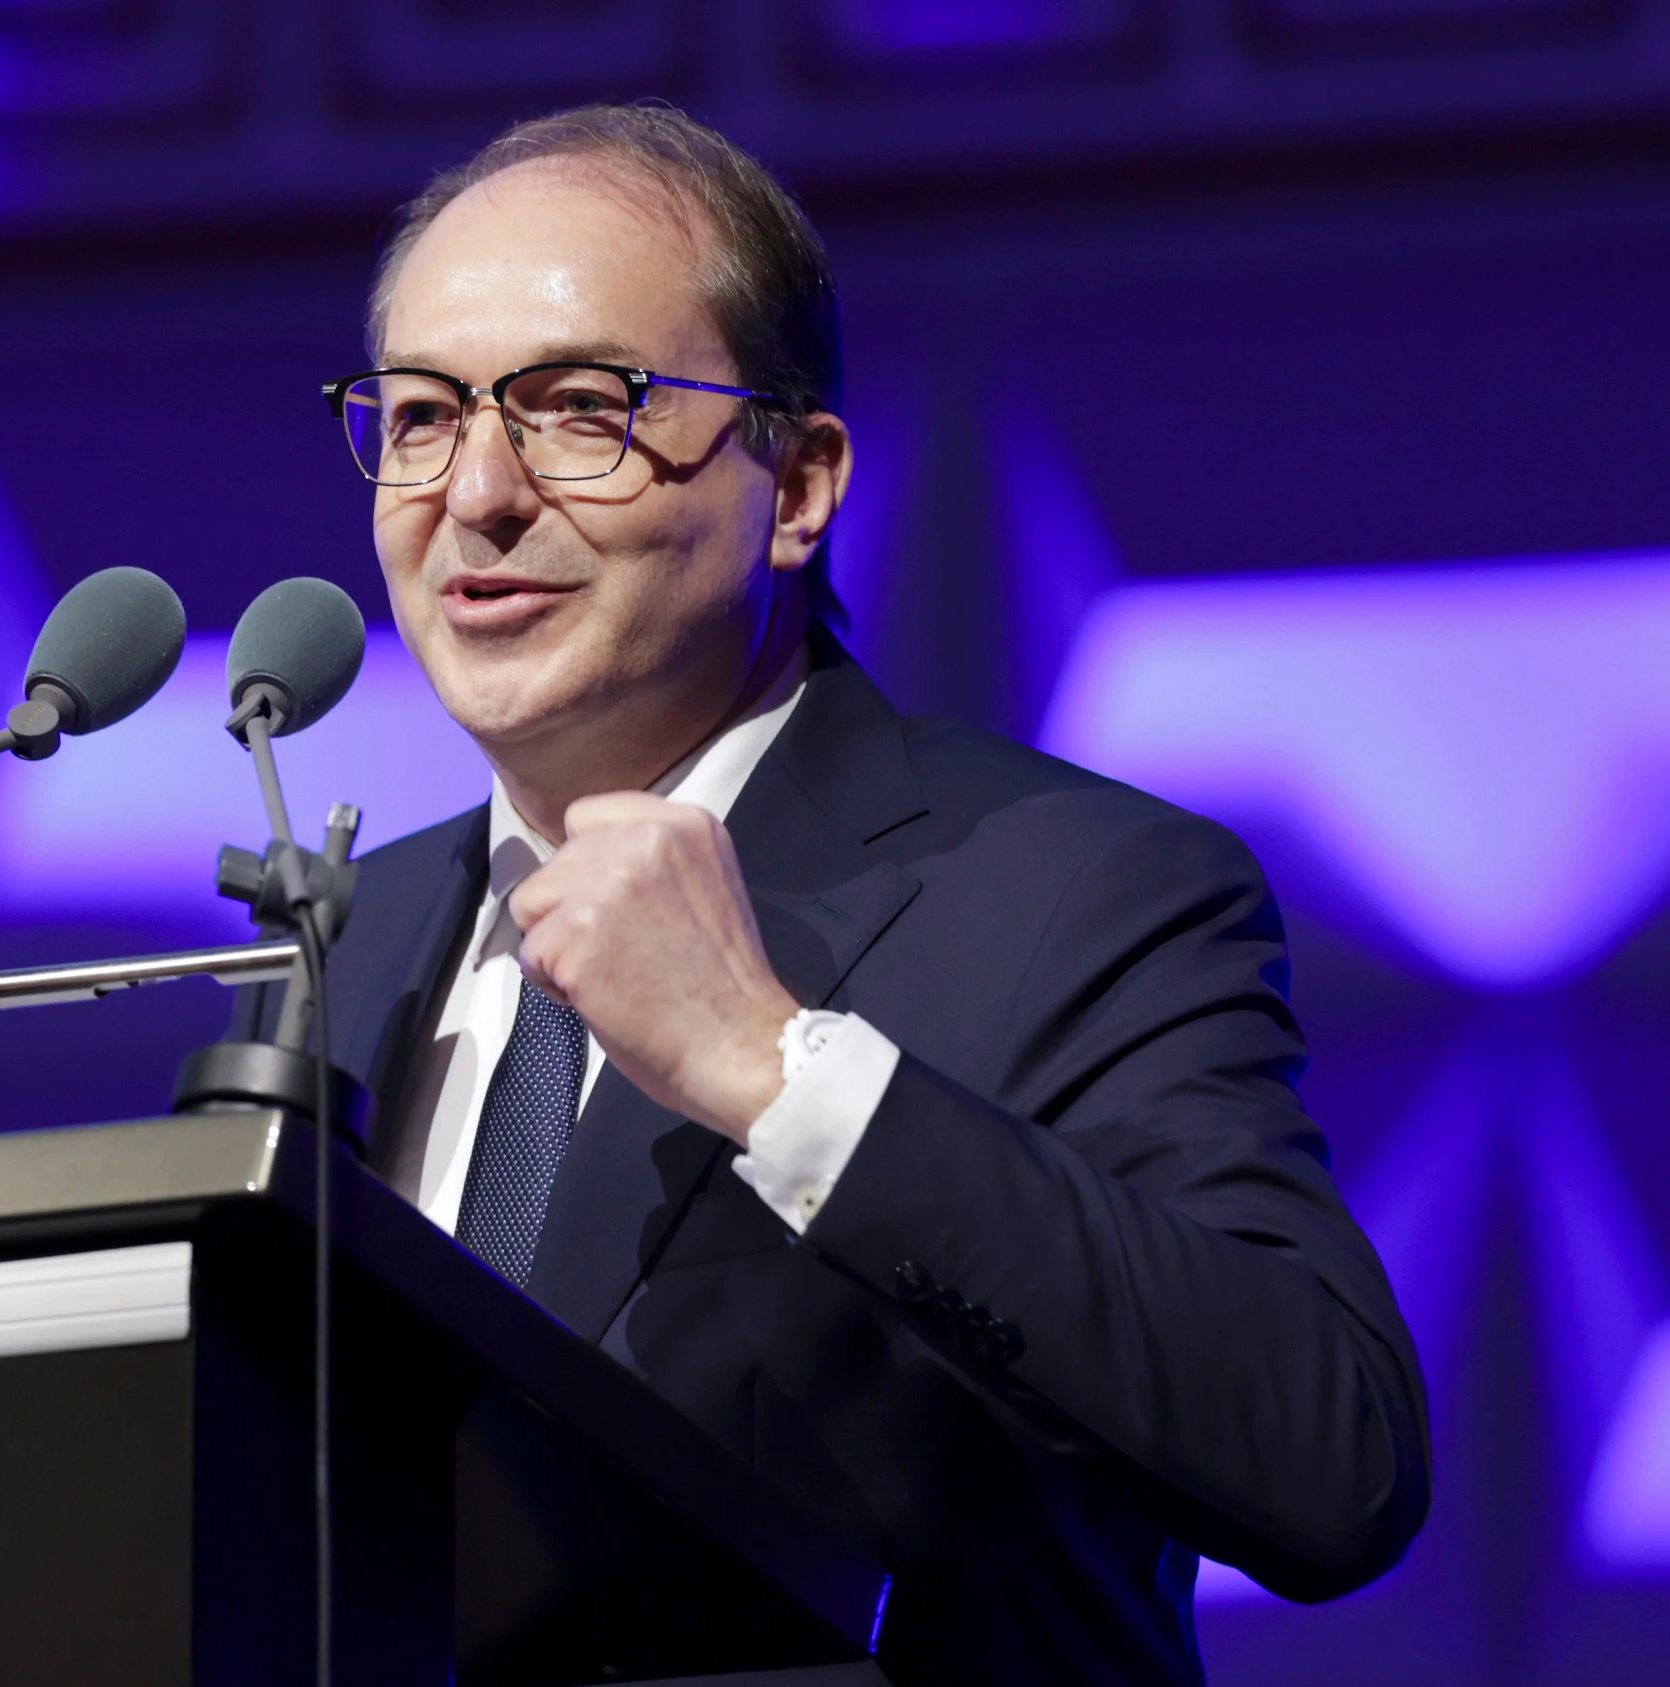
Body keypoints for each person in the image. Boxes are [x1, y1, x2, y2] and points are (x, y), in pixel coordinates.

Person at [244, 103, 1428, 1683]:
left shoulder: (1078, 889)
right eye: (419, 418)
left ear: (797, 485)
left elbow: (1336, 1456)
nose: (478, 493)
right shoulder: (350, 939)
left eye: (579, 409)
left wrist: (777, 1065)